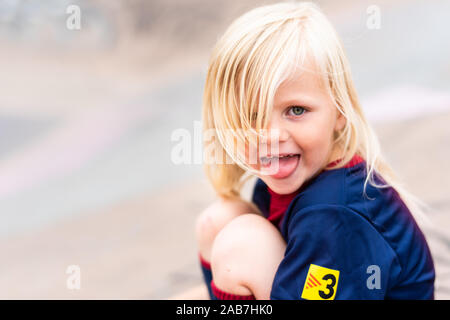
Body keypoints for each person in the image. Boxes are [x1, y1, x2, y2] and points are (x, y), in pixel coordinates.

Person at [196, 1, 435, 300]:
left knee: (240, 244)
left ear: (339, 112)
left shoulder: (333, 214)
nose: (271, 135)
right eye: (252, 117)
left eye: (297, 110)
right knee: (217, 221)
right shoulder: (291, 174)